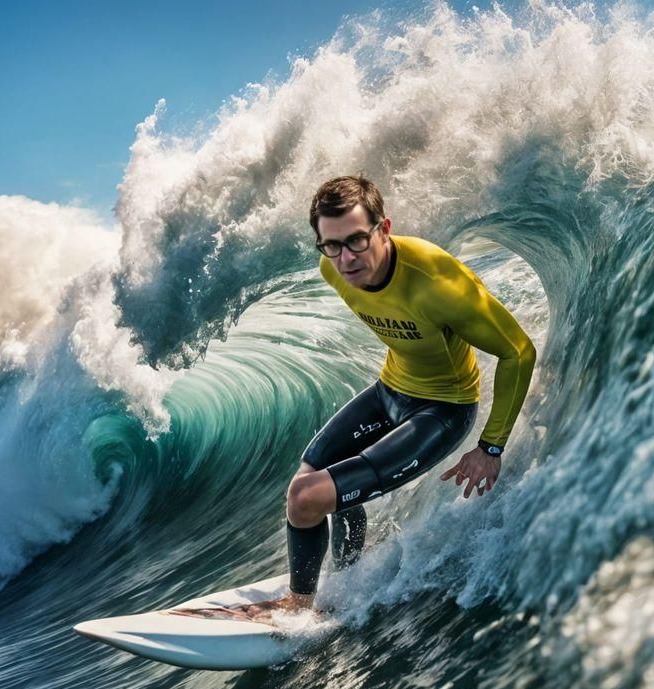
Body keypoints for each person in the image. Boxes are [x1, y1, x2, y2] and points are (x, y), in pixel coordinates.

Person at [212, 175, 535, 622]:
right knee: (307, 484)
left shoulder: (437, 282)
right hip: (389, 391)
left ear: (384, 229)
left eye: (357, 241)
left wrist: (490, 447)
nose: (345, 258)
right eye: (331, 245)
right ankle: (345, 580)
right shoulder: (333, 269)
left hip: (442, 410)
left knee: (306, 497)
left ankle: (298, 608)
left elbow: (518, 351)